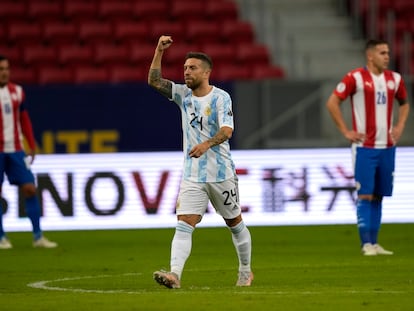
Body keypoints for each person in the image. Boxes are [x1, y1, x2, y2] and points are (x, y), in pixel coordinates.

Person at [148, 36, 253, 288]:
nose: (186, 72)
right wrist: (159, 51)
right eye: (185, 68)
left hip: (221, 174)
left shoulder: (221, 98)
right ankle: (175, 274)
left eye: (192, 68)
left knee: (234, 222)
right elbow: (154, 81)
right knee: (184, 222)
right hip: (193, 174)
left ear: (207, 72)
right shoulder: (183, 95)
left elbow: (227, 131)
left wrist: (206, 144)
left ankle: (246, 271)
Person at [326, 39, 410, 256]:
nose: (387, 56)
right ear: (370, 56)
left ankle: (374, 242)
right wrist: (346, 131)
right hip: (364, 147)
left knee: (379, 195)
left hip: (388, 147)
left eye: (388, 52)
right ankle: (366, 244)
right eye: (382, 52)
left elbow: (405, 103)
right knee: (365, 194)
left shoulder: (395, 79)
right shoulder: (355, 78)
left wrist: (400, 125)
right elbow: (333, 102)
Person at [0, 55, 57, 249]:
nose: (4, 72)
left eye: (6, 68)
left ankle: (37, 236)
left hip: (16, 149)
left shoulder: (17, 91)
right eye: (1, 69)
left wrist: (31, 143)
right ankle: (1, 238)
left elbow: (24, 119)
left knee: (30, 189)